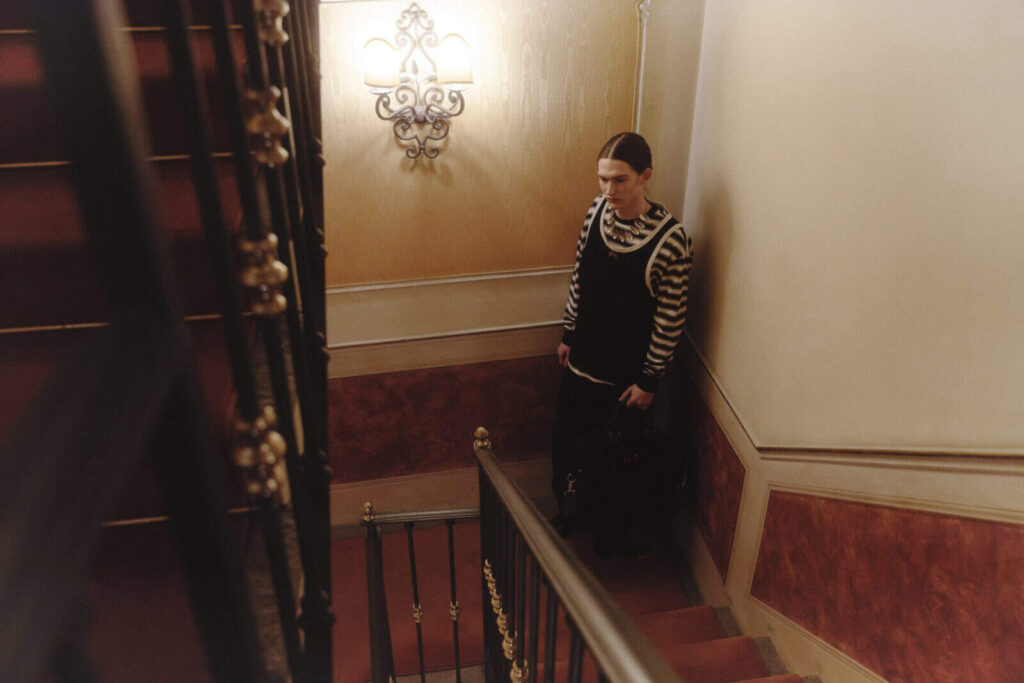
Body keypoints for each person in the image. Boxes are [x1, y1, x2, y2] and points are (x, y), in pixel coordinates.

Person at [550, 132, 693, 555]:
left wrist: (649, 382)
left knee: (614, 465)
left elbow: (671, 318)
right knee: (566, 446)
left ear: (645, 176)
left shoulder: (671, 241)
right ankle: (569, 514)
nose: (608, 190)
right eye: (602, 179)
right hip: (580, 366)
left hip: (625, 385)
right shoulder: (596, 212)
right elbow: (581, 276)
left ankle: (610, 538)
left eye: (619, 181)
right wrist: (569, 333)